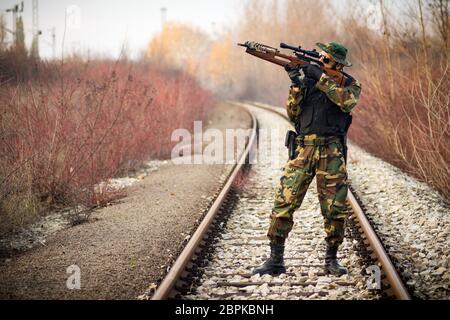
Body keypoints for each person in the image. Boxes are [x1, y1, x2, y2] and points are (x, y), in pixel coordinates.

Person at [253, 42, 362, 276]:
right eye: (320, 58)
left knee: (334, 209)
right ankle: (275, 260)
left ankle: (331, 260)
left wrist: (320, 78)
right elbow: (292, 114)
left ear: (337, 64)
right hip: (303, 150)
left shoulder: (350, 84)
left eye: (325, 59)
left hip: (332, 151)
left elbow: (347, 102)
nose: (321, 61)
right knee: (284, 203)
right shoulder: (308, 81)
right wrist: (296, 84)